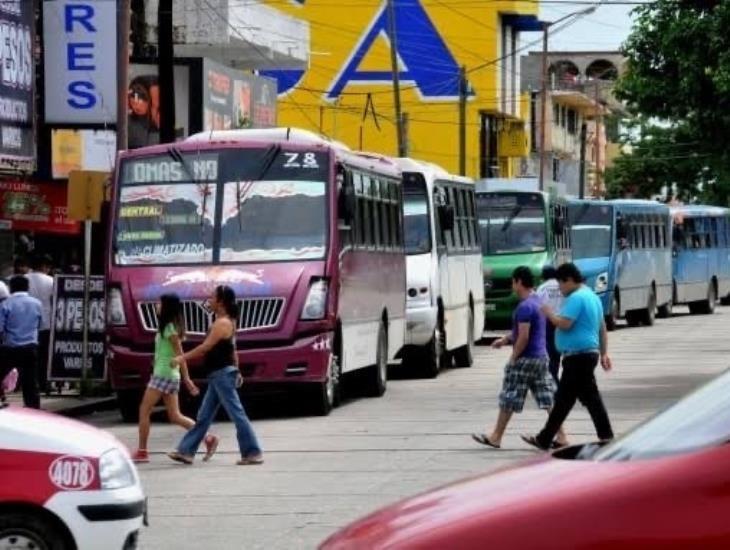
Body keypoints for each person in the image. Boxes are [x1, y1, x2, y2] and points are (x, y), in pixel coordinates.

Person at [472, 267, 567, 449]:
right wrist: (505, 339)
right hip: (541, 358)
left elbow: (524, 336)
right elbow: (522, 332)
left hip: (526, 359)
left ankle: (496, 436)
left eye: (513, 282)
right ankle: (562, 436)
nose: (512, 286)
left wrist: (513, 358)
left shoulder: (524, 307)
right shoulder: (537, 301)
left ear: (519, 282)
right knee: (547, 398)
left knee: (509, 396)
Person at [522, 263, 614, 451]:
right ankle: (546, 438)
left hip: (578, 357)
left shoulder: (576, 298)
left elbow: (564, 324)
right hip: (586, 355)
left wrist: (548, 312)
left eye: (561, 285)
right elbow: (602, 327)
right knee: (574, 399)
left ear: (569, 280)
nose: (560, 290)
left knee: (573, 399)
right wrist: (604, 352)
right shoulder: (592, 296)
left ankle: (605, 436)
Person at [168, 285, 263, 466]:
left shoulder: (222, 323)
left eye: (212, 297)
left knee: (237, 414)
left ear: (221, 302)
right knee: (204, 417)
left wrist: (181, 358)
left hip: (221, 375)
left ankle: (253, 452)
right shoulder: (225, 321)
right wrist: (237, 369)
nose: (209, 300)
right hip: (218, 376)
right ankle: (186, 452)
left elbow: (205, 348)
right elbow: (233, 349)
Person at [132, 294, 219, 464]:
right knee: (175, 415)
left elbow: (180, 355)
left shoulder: (169, 329)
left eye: (159, 303)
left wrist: (187, 379)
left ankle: (142, 451)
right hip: (169, 375)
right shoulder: (167, 327)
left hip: (163, 375)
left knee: (144, 410)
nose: (156, 305)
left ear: (166, 307)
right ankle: (208, 438)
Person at [0, 276, 42, 408]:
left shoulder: (6, 304)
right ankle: (34, 409)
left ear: (11, 288)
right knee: (30, 381)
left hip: (10, 348)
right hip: (30, 348)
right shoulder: (37, 303)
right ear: (27, 287)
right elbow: (41, 324)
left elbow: (0, 328)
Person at [27, 254, 54, 395]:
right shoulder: (51, 281)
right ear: (44, 266)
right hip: (46, 323)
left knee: (28, 356)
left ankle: (26, 383)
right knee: (44, 356)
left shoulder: (24, 279)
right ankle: (43, 383)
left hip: (26, 323)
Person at [536, 265, 564, 384]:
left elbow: (537, 305)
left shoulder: (542, 288)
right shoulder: (561, 286)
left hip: (547, 322)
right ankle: (555, 375)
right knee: (557, 352)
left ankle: (552, 377)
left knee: (549, 351)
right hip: (562, 320)